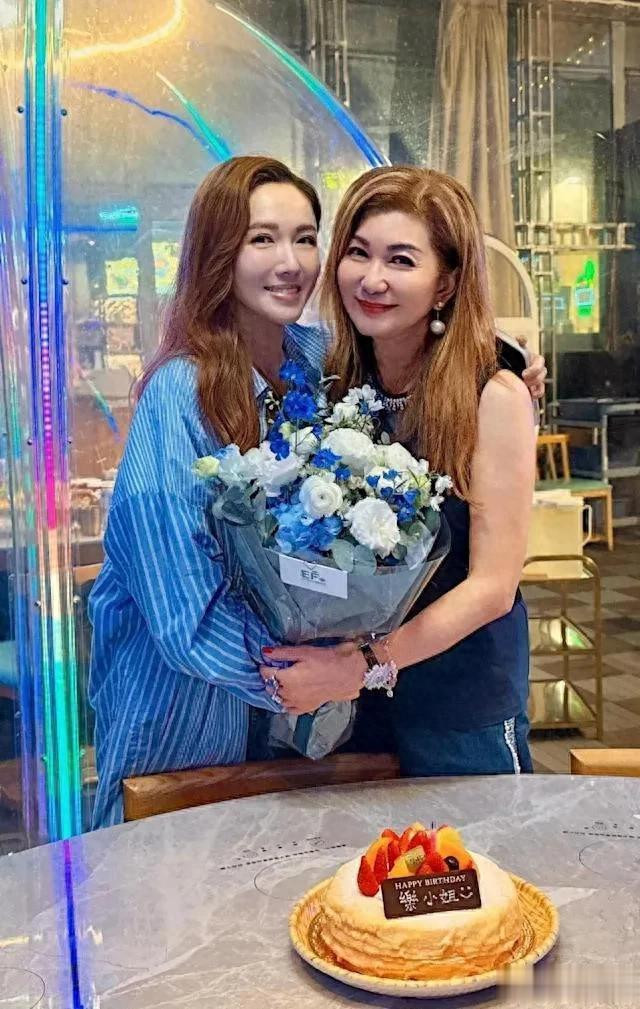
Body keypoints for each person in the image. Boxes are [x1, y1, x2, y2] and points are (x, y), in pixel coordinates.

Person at [260, 166, 537, 776]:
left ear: (446, 284)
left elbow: (492, 588)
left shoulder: (492, 395)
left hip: (457, 705)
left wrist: (363, 664)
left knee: (460, 844)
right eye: (359, 253)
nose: (373, 279)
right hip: (347, 706)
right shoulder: (335, 381)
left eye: (402, 260)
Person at [88, 156, 328, 827]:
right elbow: (182, 616)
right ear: (218, 252)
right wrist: (309, 680)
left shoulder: (320, 363)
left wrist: (508, 367)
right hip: (187, 717)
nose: (290, 262)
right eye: (262, 239)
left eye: (306, 238)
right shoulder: (180, 394)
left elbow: (419, 348)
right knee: (176, 883)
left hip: (304, 723)